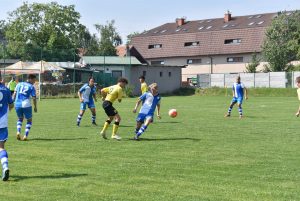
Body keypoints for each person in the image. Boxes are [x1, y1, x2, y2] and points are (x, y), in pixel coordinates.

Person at [13, 74, 37, 141]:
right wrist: (35, 107)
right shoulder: (31, 87)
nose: (34, 82)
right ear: (30, 79)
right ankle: (25, 136)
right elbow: (34, 98)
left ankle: (18, 132)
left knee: (20, 118)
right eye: (34, 80)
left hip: (17, 103)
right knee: (29, 120)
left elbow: (14, 94)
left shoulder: (19, 84)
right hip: (26, 104)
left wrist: (12, 102)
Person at [0, 77, 14, 181]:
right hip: (2, 122)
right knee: (1, 147)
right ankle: (5, 167)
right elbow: (11, 105)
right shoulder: (6, 90)